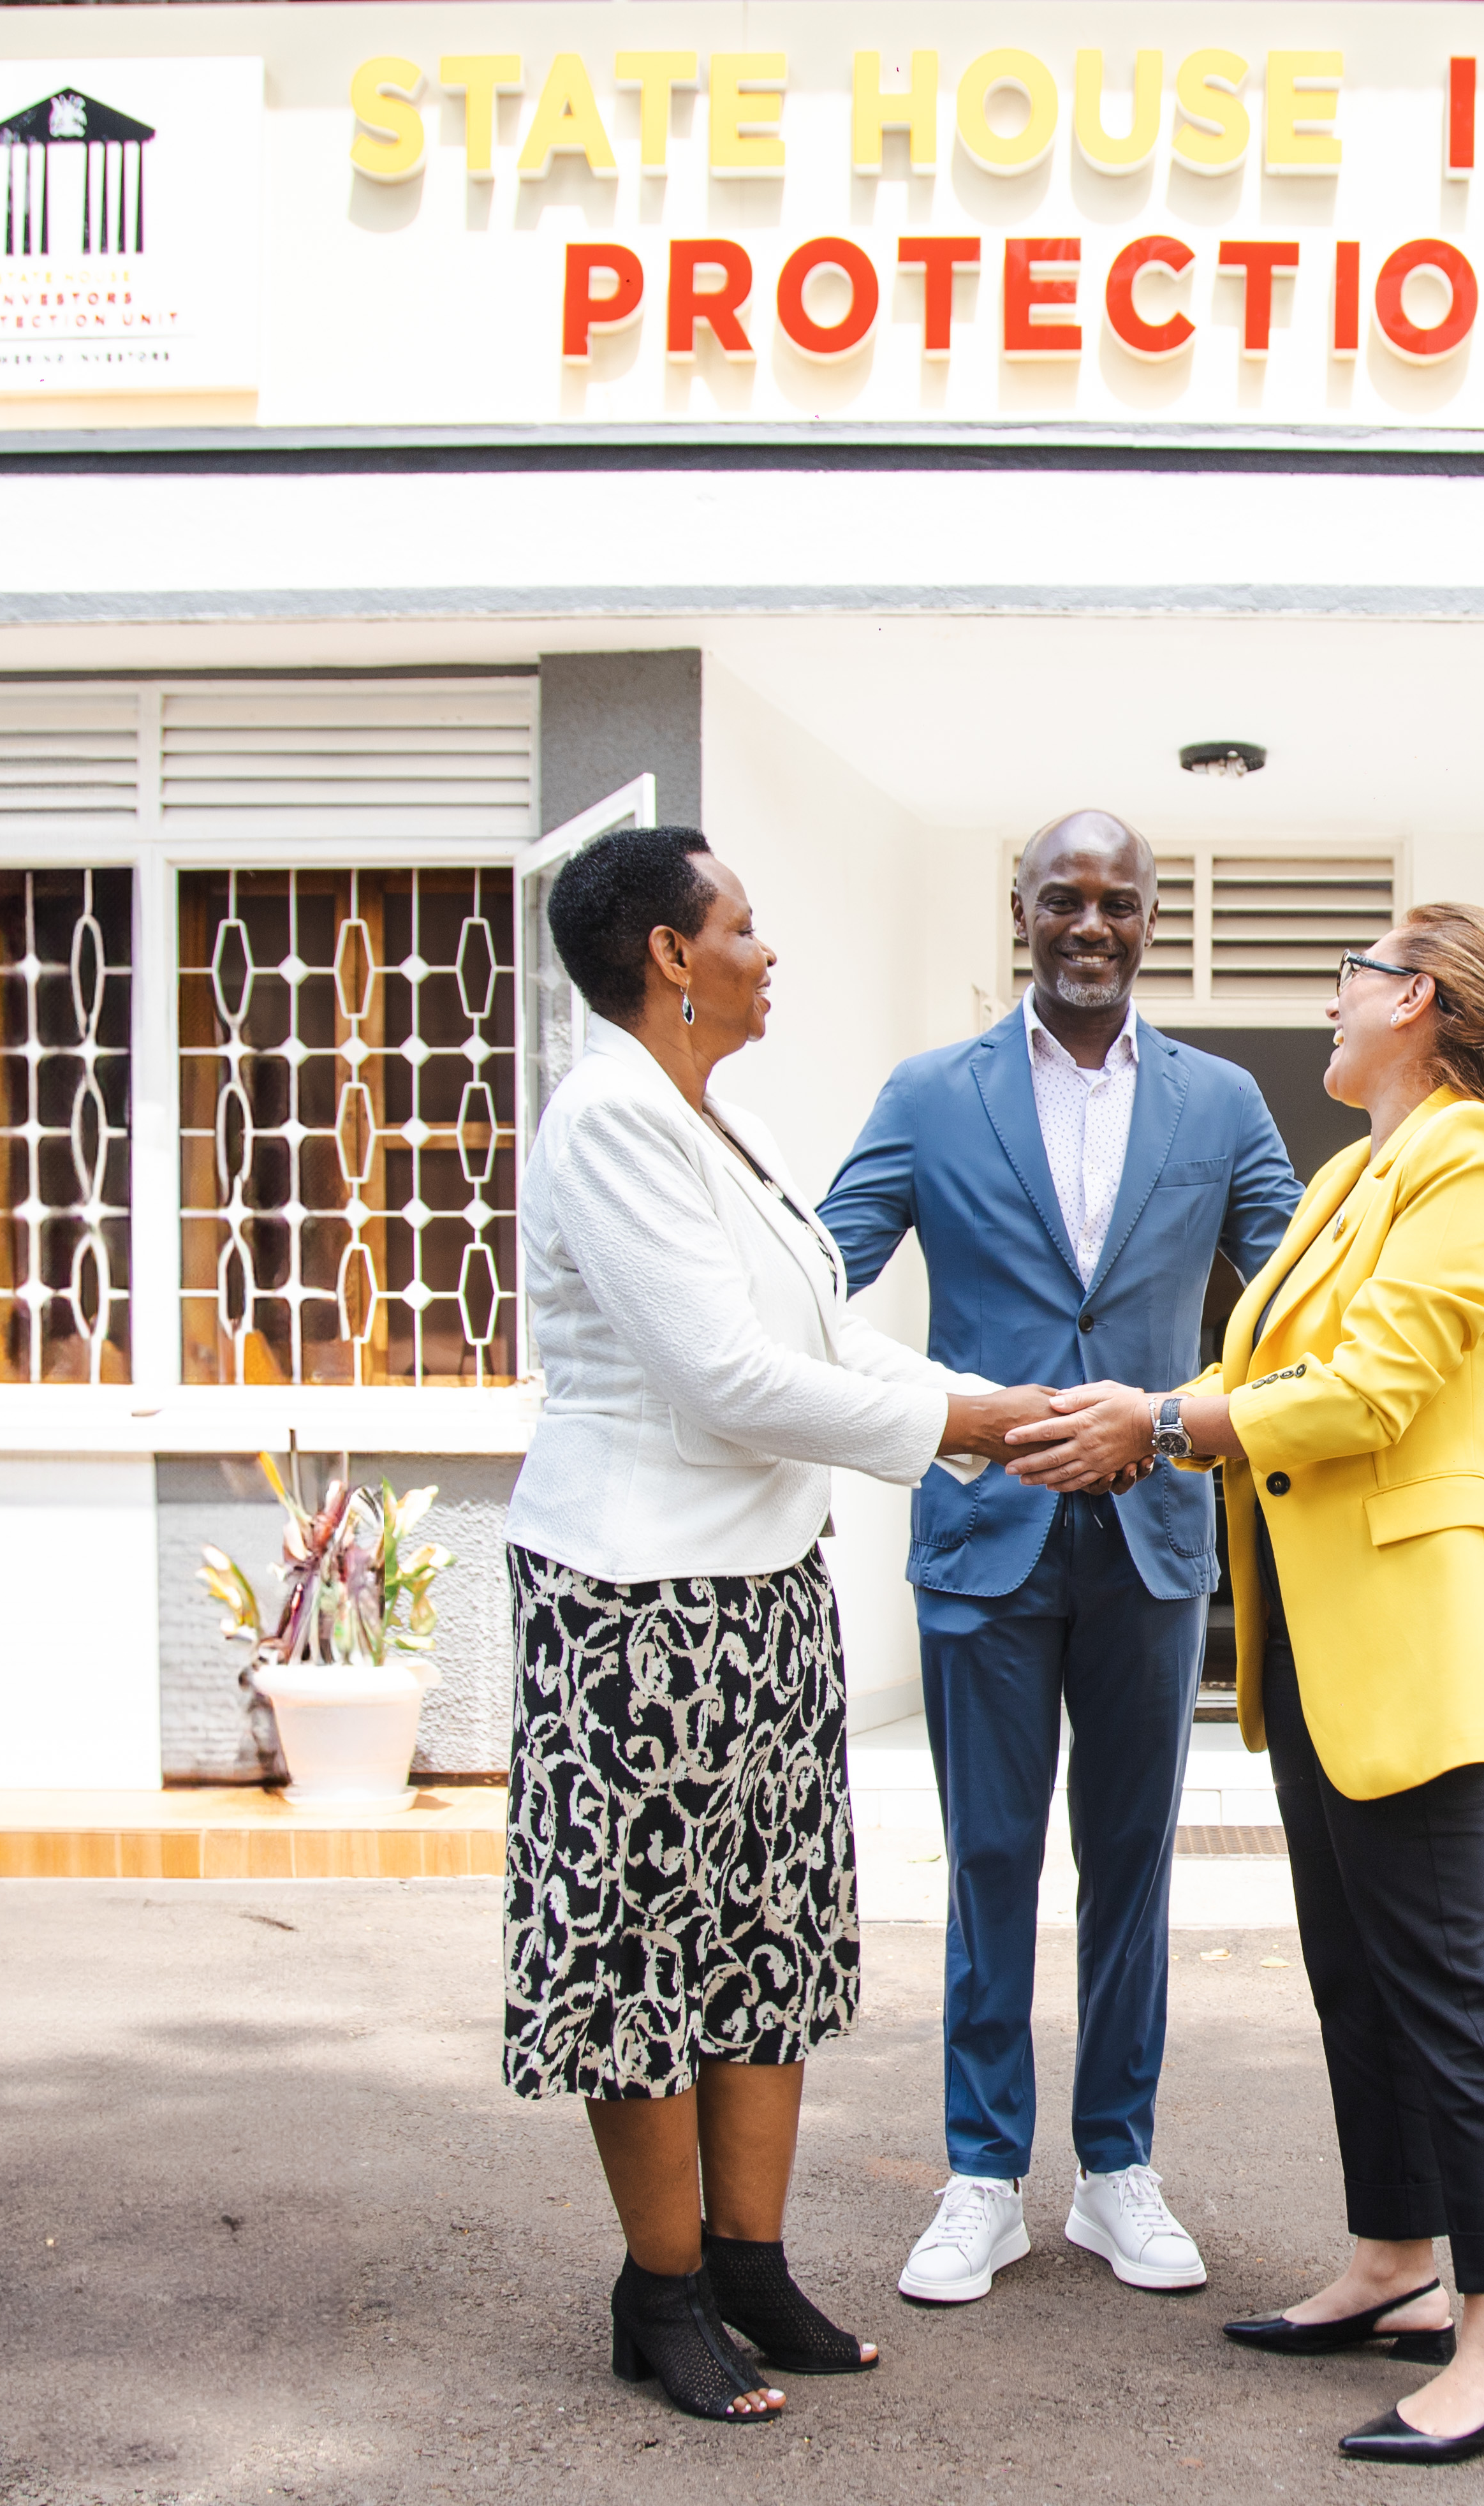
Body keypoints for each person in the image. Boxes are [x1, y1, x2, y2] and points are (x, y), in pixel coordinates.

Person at [1006, 901, 1484, 2468]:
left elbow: (1373, 1390)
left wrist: (1162, 1427)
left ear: (1425, 1005)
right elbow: (1268, 1372)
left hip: (1403, 1627)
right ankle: (1397, 2265)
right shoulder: (1352, 1172)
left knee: (1445, 1987)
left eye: (1353, 977)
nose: (1328, 1002)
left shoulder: (1463, 1161)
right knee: (1358, 1969)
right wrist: (1162, 1405)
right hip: (1320, 1635)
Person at [501, 824, 1053, 2426]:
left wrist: (983, 1408)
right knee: (643, 1959)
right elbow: (721, 1382)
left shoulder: (705, 1121)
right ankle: (656, 2292)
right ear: (670, 956)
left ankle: (747, 2268)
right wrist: (974, 1422)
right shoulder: (608, 1118)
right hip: (632, 1607)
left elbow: (817, 1333)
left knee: (764, 1940)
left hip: (754, 1597)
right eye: (742, 925)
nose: (765, 949)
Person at [818, 809, 1302, 2306]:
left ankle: (1112, 2170)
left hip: (1153, 1540)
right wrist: (939, 1415)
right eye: (1060, 899)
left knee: (1132, 1867)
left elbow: (1303, 1299)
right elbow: (812, 1278)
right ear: (1018, 913)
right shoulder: (928, 1091)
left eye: (1118, 902)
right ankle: (978, 2177)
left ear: (1152, 918)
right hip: (982, 1537)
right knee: (986, 1860)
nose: (1090, 924)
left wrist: (1170, 1424)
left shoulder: (1221, 1105)